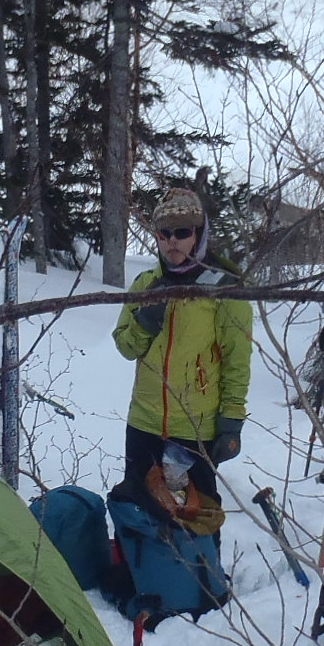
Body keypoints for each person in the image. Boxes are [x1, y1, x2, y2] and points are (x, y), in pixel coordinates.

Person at [112, 186, 253, 502]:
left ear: (199, 234)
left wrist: (231, 421)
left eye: (182, 232)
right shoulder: (145, 284)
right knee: (139, 513)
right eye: (163, 234)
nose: (172, 241)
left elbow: (237, 359)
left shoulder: (224, 286)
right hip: (143, 424)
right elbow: (125, 346)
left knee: (196, 519)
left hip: (195, 429)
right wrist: (145, 321)